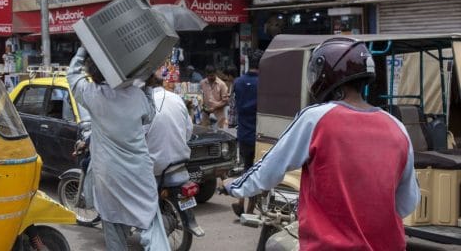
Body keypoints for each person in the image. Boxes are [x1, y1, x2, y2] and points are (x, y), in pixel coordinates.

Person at [223, 38, 420, 250]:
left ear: (325, 73)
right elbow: (407, 203)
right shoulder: (397, 127)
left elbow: (270, 168)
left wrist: (233, 186)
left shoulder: (317, 118)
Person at [67, 47, 170, 251]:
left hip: (109, 177)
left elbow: (72, 75)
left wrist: (83, 49)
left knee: (114, 230)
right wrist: (145, 84)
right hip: (138, 175)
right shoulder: (136, 95)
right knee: (150, 223)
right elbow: (149, 116)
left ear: (94, 75)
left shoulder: (92, 95)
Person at [144, 67, 193, 185]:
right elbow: (188, 131)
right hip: (180, 162)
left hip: (155, 169)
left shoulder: (143, 104)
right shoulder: (177, 99)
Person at [230, 49, 262, 216]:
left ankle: (240, 201)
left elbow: (233, 111)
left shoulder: (237, 82)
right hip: (259, 134)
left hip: (243, 133)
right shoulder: (264, 82)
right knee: (257, 170)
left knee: (246, 168)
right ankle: (250, 208)